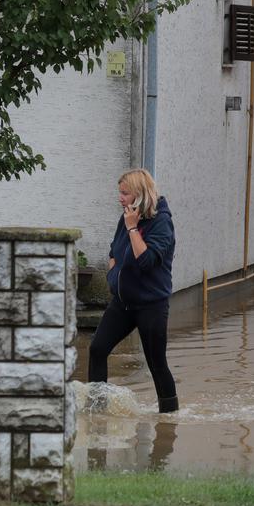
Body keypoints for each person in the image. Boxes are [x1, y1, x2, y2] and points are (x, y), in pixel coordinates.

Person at [88, 169, 179, 413]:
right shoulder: (125, 217)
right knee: (97, 349)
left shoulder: (162, 222)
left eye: (125, 193)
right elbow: (113, 252)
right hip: (123, 304)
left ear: (139, 194)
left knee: (157, 364)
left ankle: (169, 422)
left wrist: (132, 229)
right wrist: (112, 274)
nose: (120, 198)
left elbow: (146, 260)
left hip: (151, 305)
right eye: (120, 192)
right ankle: (97, 410)